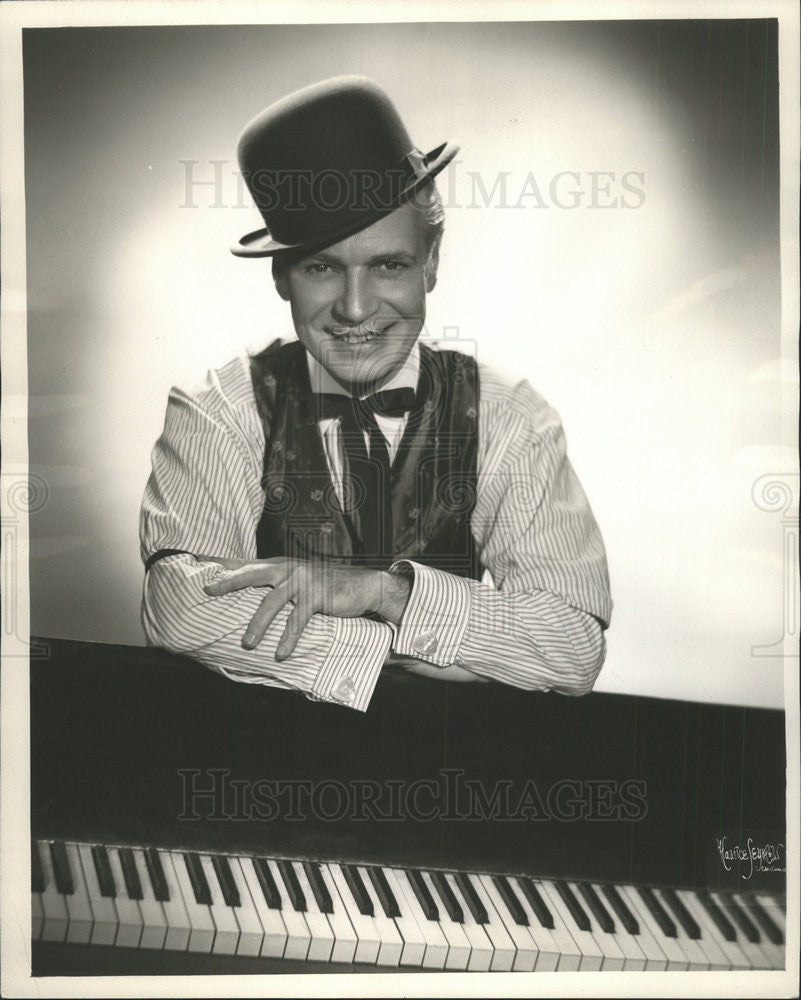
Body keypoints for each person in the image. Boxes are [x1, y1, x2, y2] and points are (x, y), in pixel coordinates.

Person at [139, 76, 612, 712]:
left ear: (432, 261)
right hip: (262, 774)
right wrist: (412, 650)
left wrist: (385, 596)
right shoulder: (217, 412)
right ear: (282, 276)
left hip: (452, 783)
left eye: (388, 265)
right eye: (323, 267)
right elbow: (180, 610)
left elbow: (572, 646)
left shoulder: (510, 419)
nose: (356, 309)